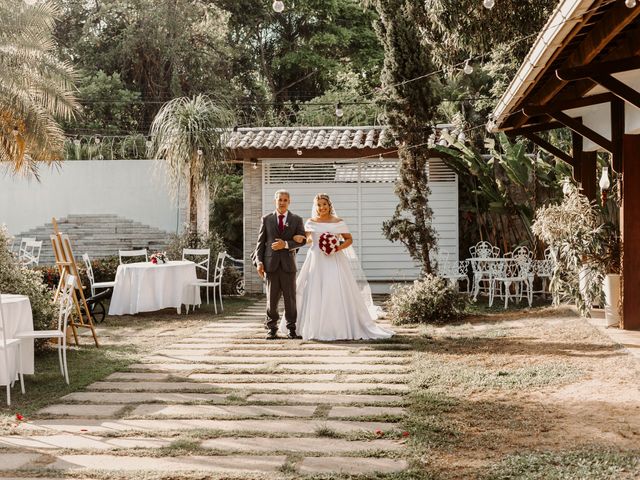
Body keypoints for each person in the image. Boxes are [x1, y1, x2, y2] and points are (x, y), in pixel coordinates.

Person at [281, 193, 394, 341]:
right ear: (316, 207)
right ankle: (310, 326)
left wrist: (336, 247)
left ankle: (339, 327)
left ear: (329, 206)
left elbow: (348, 239)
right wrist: (300, 238)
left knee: (335, 289)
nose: (322, 207)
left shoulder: (338, 222)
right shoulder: (310, 222)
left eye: (324, 204)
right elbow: (308, 239)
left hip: (335, 259)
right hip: (316, 260)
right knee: (313, 289)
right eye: (319, 205)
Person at [252, 190, 306, 340]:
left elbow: (303, 240)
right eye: (279, 200)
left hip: (288, 265)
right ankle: (272, 328)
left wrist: (286, 244)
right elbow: (260, 244)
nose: (282, 202)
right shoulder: (267, 219)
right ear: (275, 201)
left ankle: (291, 329)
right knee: (272, 298)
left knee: (290, 298)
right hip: (271, 265)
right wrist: (259, 262)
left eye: (285, 200)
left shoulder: (297, 219)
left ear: (289, 201)